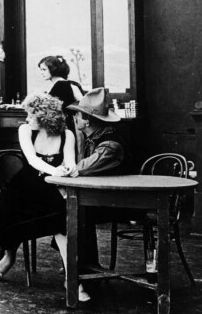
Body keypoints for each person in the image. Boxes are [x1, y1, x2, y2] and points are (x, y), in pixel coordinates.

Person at [0, 92, 89, 302]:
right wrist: (56, 171)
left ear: (44, 116)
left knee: (63, 217)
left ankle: (71, 276)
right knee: (8, 211)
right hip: (25, 186)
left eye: (31, 115)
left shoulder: (67, 134)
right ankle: (9, 257)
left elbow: (70, 161)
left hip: (52, 187)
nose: (27, 119)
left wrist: (68, 169)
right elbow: (32, 160)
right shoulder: (25, 130)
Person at [67, 87, 136, 270]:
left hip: (126, 203)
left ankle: (82, 263)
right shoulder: (93, 137)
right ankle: (78, 260)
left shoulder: (110, 145)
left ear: (88, 120)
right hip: (107, 197)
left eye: (78, 116)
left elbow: (82, 169)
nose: (75, 118)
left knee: (77, 211)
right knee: (73, 209)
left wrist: (63, 169)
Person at [38, 55, 84, 132]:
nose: (41, 73)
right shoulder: (70, 84)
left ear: (53, 69)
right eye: (41, 69)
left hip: (66, 127)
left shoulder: (62, 85)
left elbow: (84, 106)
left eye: (44, 69)